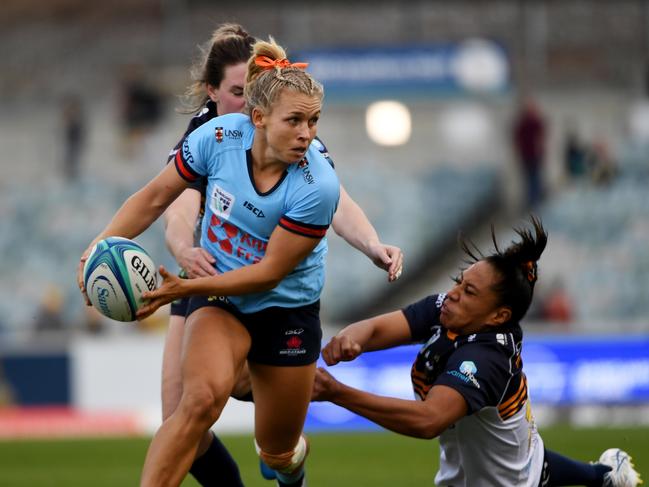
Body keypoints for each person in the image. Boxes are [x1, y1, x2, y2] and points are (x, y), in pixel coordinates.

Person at [78, 37, 380, 487]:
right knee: (196, 403)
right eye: (295, 120)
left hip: (286, 308)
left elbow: (269, 273)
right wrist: (101, 242)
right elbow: (157, 197)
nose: (307, 133)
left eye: (313, 121)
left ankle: (289, 462)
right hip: (220, 296)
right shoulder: (214, 139)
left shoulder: (318, 185)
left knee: (277, 452)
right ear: (258, 118)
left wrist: (181, 288)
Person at [162, 24, 403, 486]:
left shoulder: (294, 133)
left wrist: (372, 243)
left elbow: (339, 202)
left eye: (250, 89)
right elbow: (175, 206)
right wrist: (184, 251)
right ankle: (263, 386)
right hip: (207, 277)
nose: (244, 102)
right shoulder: (207, 137)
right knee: (180, 415)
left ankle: (278, 413)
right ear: (212, 93)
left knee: (275, 448)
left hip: (276, 294)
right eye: (235, 92)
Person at [312, 216, 641, 487]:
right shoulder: (449, 311)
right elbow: (378, 328)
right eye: (459, 281)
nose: (453, 293)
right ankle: (607, 476)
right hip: (519, 464)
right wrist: (351, 338)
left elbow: (428, 421)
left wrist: (335, 391)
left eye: (468, 291)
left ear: (498, 316)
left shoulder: (485, 359)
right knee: (540, 464)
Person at [513, 97, 547, 208]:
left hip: (535, 156)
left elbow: (542, 138)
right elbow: (518, 140)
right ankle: (532, 202)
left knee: (536, 179)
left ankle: (536, 202)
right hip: (527, 156)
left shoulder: (536, 122)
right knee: (530, 180)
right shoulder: (523, 124)